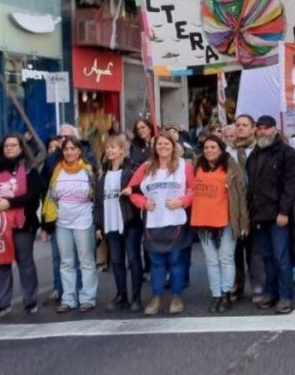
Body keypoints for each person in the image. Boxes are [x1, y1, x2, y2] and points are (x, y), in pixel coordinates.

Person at [0, 134, 42, 317]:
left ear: (21, 148)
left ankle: (30, 301)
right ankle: (3, 303)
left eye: (14, 145)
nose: (10, 148)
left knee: (25, 262)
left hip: (22, 223)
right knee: (1, 264)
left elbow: (34, 195)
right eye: (7, 145)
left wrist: (9, 203)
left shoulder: (29, 170)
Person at [129, 133, 195, 316]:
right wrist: (142, 203)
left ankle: (176, 296)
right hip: (153, 222)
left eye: (167, 144)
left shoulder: (185, 166)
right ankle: (156, 297)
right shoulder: (146, 167)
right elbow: (131, 190)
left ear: (173, 146)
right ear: (154, 147)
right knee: (157, 262)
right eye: (159, 144)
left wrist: (182, 202)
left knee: (176, 260)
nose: (163, 147)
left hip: (176, 221)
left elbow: (193, 190)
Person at [246, 115, 295, 314]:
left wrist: (284, 212)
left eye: (266, 128)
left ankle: (286, 296)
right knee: (266, 257)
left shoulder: (287, 153)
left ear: (275, 130)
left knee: (281, 257)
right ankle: (271, 292)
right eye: (259, 128)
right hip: (259, 215)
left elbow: (291, 185)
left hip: (279, 215)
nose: (263, 132)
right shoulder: (254, 154)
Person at [41, 137, 98, 314]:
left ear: (80, 151)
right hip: (62, 223)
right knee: (66, 262)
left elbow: (95, 196)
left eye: (73, 149)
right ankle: (68, 298)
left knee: (86, 261)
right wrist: (47, 224)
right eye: (66, 149)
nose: (70, 152)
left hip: (84, 222)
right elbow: (50, 197)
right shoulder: (57, 171)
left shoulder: (88, 171)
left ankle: (87, 298)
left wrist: (98, 225)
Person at [192, 135, 248, 313]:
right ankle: (215, 294)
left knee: (226, 258)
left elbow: (241, 195)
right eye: (206, 147)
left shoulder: (232, 167)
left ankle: (226, 294)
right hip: (203, 221)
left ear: (221, 149)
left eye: (213, 147)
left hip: (226, 220)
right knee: (211, 261)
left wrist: (243, 221)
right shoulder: (197, 166)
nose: (209, 150)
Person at [94, 134, 143, 312]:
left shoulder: (131, 171)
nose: (109, 150)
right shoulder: (103, 174)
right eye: (108, 147)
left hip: (129, 221)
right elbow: (98, 202)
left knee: (133, 258)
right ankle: (121, 295)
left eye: (113, 147)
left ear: (122, 150)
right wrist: (98, 225)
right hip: (110, 223)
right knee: (116, 261)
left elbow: (139, 191)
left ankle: (136, 296)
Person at [230, 114, 263, 304]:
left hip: (256, 204)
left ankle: (258, 286)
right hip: (235, 206)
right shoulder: (228, 151)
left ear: (253, 129)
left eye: (245, 125)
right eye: (238, 125)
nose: (240, 128)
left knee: (255, 250)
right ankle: (237, 285)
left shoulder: (259, 149)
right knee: (234, 249)